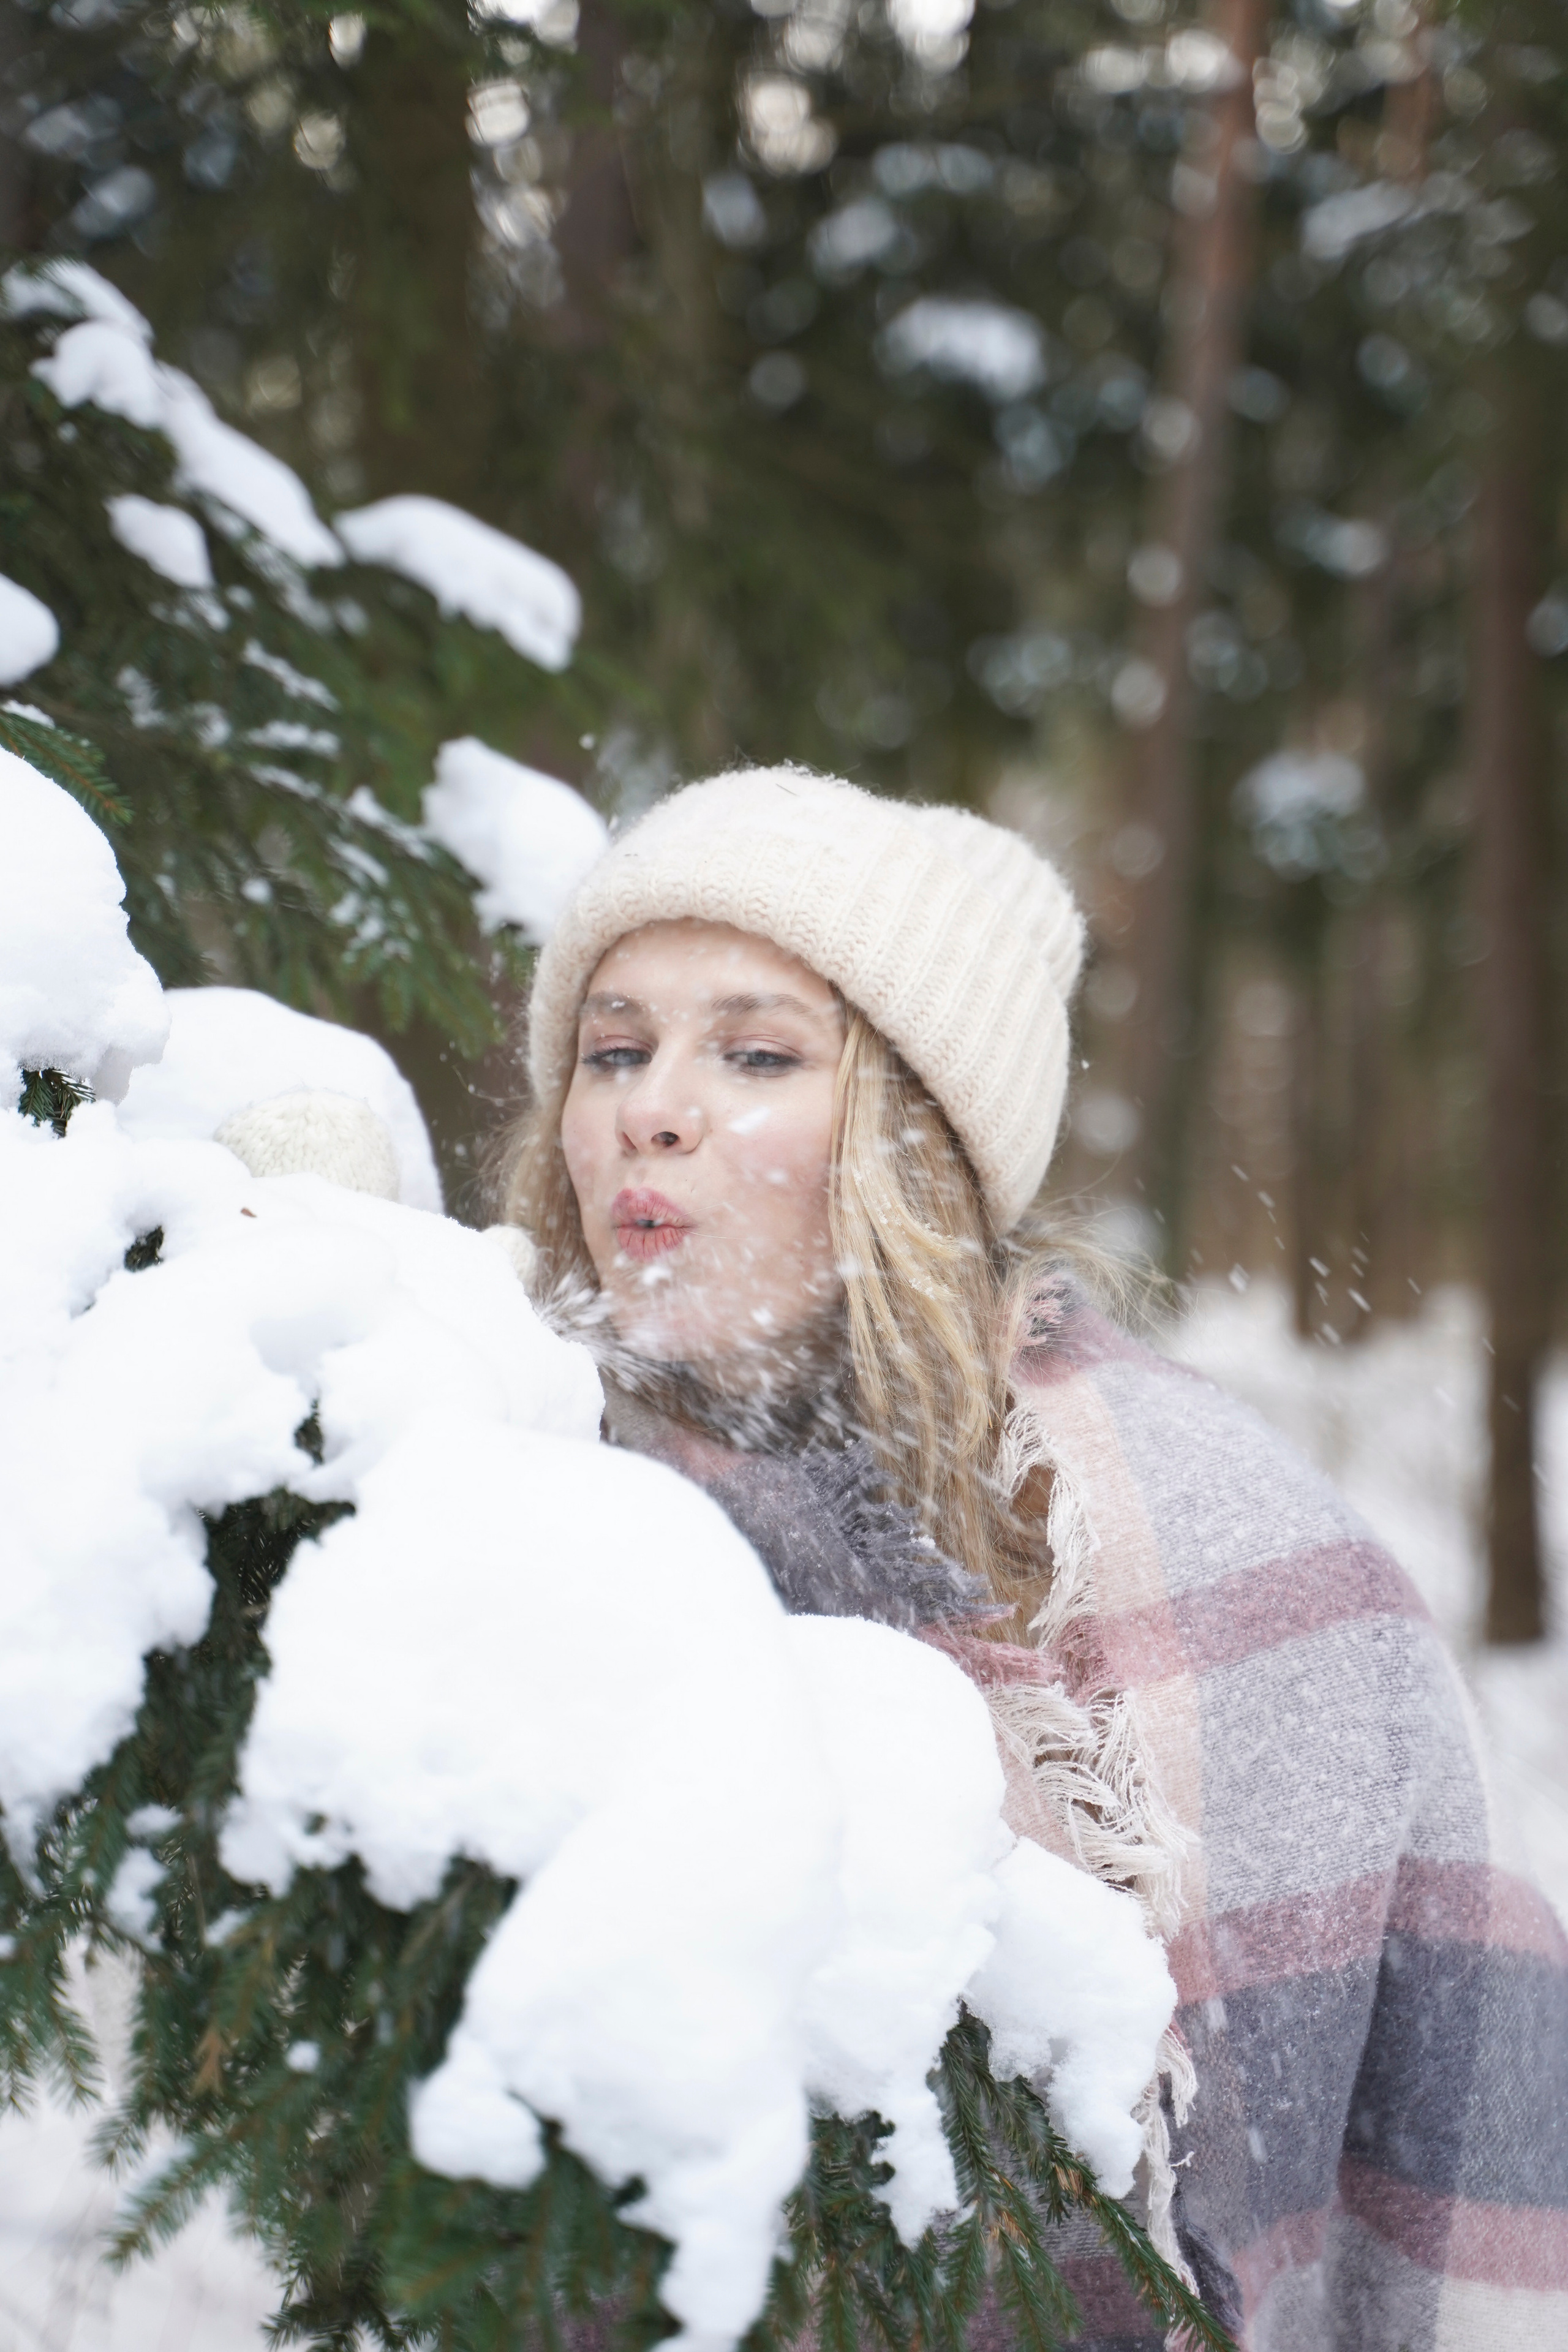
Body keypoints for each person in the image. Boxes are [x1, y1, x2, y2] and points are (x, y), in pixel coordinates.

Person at [500, 764, 1568, 2352]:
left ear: (912, 1138)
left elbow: (1455, 2123)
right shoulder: (509, 1510)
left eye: (758, 1052)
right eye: (612, 1048)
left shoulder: (1229, 1546)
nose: (652, 1106)